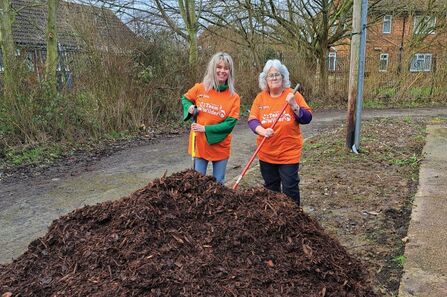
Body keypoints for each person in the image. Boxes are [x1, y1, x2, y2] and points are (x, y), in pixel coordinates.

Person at [248, 59, 312, 205]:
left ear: (283, 77)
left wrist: (294, 105)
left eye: (277, 74)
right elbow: (252, 120)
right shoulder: (260, 98)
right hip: (266, 153)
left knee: (290, 189)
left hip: (289, 153)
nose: (274, 78)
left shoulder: (292, 95)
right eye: (271, 75)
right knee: (271, 190)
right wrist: (262, 131)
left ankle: (294, 219)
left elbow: (307, 118)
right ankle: (275, 219)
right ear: (265, 79)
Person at [181, 52, 240, 184]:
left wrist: (205, 128)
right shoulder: (200, 88)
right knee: (197, 181)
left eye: (226, 68)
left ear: (230, 72)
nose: (222, 71)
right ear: (212, 69)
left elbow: (230, 124)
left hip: (221, 146)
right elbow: (185, 99)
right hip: (200, 144)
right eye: (218, 67)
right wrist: (190, 107)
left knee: (218, 182)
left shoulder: (234, 97)